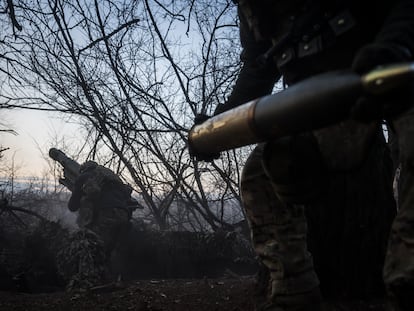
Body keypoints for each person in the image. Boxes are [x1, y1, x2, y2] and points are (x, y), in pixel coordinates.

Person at [194, 1, 414, 310]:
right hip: (328, 99)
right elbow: (258, 69)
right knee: (260, 176)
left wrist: (395, 44)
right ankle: (293, 292)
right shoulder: (253, 8)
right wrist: (216, 127)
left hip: (397, 71)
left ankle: (408, 275)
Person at [60, 161, 137, 290]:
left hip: (105, 215)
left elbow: (72, 207)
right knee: (115, 249)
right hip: (123, 215)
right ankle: (119, 279)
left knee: (94, 246)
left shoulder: (84, 177)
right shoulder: (111, 178)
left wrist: (78, 190)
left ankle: (93, 282)